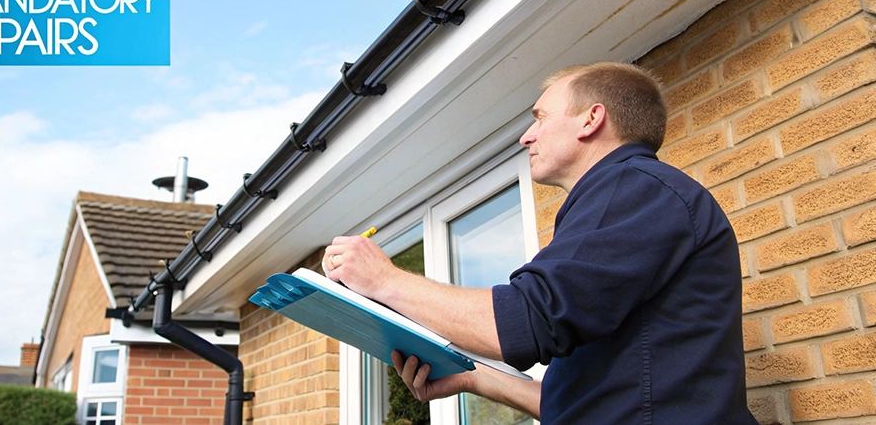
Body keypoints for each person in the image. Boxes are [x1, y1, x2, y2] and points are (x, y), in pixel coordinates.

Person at [323, 62, 757, 424]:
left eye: (541, 118)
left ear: (592, 118)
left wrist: (383, 279)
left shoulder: (636, 187)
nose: (526, 136)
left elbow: (525, 320)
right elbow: (581, 400)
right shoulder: (623, 202)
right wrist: (474, 378)